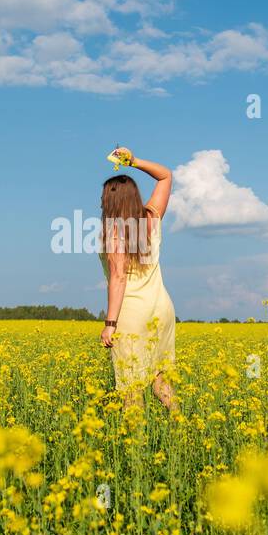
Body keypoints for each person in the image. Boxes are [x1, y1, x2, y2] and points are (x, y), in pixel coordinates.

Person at [98, 147, 177, 412]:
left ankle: (136, 444)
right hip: (162, 309)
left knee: (131, 386)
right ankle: (181, 428)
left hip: (132, 313)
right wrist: (134, 161)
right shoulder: (152, 218)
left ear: (111, 201)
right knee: (159, 378)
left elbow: (118, 277)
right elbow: (165, 176)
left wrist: (110, 323)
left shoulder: (114, 232)